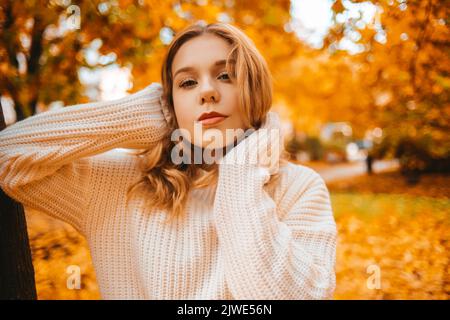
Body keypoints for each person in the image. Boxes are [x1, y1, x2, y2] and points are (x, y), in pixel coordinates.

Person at [0, 22, 337, 300]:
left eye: (225, 75)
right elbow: (8, 156)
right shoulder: (120, 184)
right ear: (169, 102)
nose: (207, 92)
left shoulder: (299, 189)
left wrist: (239, 173)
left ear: (256, 90)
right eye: (187, 83)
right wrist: (137, 116)